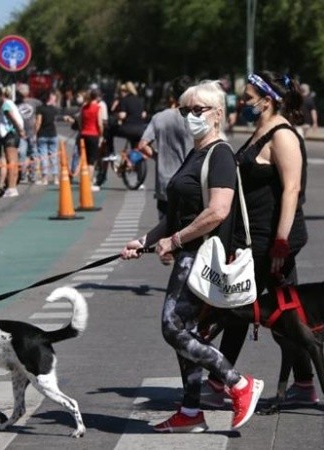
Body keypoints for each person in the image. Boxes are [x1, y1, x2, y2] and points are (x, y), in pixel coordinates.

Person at [120, 80, 264, 433]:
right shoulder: (195, 153)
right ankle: (190, 410)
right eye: (185, 110)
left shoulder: (220, 156)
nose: (189, 117)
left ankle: (239, 382)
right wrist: (145, 240)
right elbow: (174, 215)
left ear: (217, 115)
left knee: (173, 328)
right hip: (188, 254)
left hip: (202, 256)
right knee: (187, 331)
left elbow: (218, 211)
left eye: (197, 110)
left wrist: (175, 240)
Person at [210, 71, 313, 407]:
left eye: (249, 96)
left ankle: (219, 380)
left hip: (270, 242)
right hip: (254, 238)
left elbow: (292, 189)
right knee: (282, 312)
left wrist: (281, 242)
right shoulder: (262, 130)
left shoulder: (282, 135)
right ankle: (303, 382)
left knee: (242, 308)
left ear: (267, 101)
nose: (244, 101)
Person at [137, 75, 194, 219]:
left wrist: (158, 157)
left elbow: (143, 145)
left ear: (172, 95)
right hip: (190, 183)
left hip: (165, 184)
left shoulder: (159, 117)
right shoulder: (197, 119)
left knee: (165, 230)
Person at [0, 86, 26, 197]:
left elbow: (12, 117)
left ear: (2, 95)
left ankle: (11, 188)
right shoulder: (11, 103)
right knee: (14, 162)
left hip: (10, 135)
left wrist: (20, 129)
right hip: (15, 135)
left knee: (11, 162)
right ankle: (12, 187)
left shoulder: (5, 105)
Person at [15, 83, 42, 184]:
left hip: (32, 133)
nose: (21, 95)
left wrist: (36, 131)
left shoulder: (35, 102)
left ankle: (33, 175)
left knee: (33, 154)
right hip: (21, 134)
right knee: (21, 154)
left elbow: (39, 118)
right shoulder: (16, 103)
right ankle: (22, 175)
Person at [35, 89, 61, 185]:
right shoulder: (54, 109)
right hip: (53, 134)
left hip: (42, 134)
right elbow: (55, 121)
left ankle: (44, 178)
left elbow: (38, 122)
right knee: (53, 156)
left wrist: (35, 133)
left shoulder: (40, 108)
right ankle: (55, 178)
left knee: (43, 156)